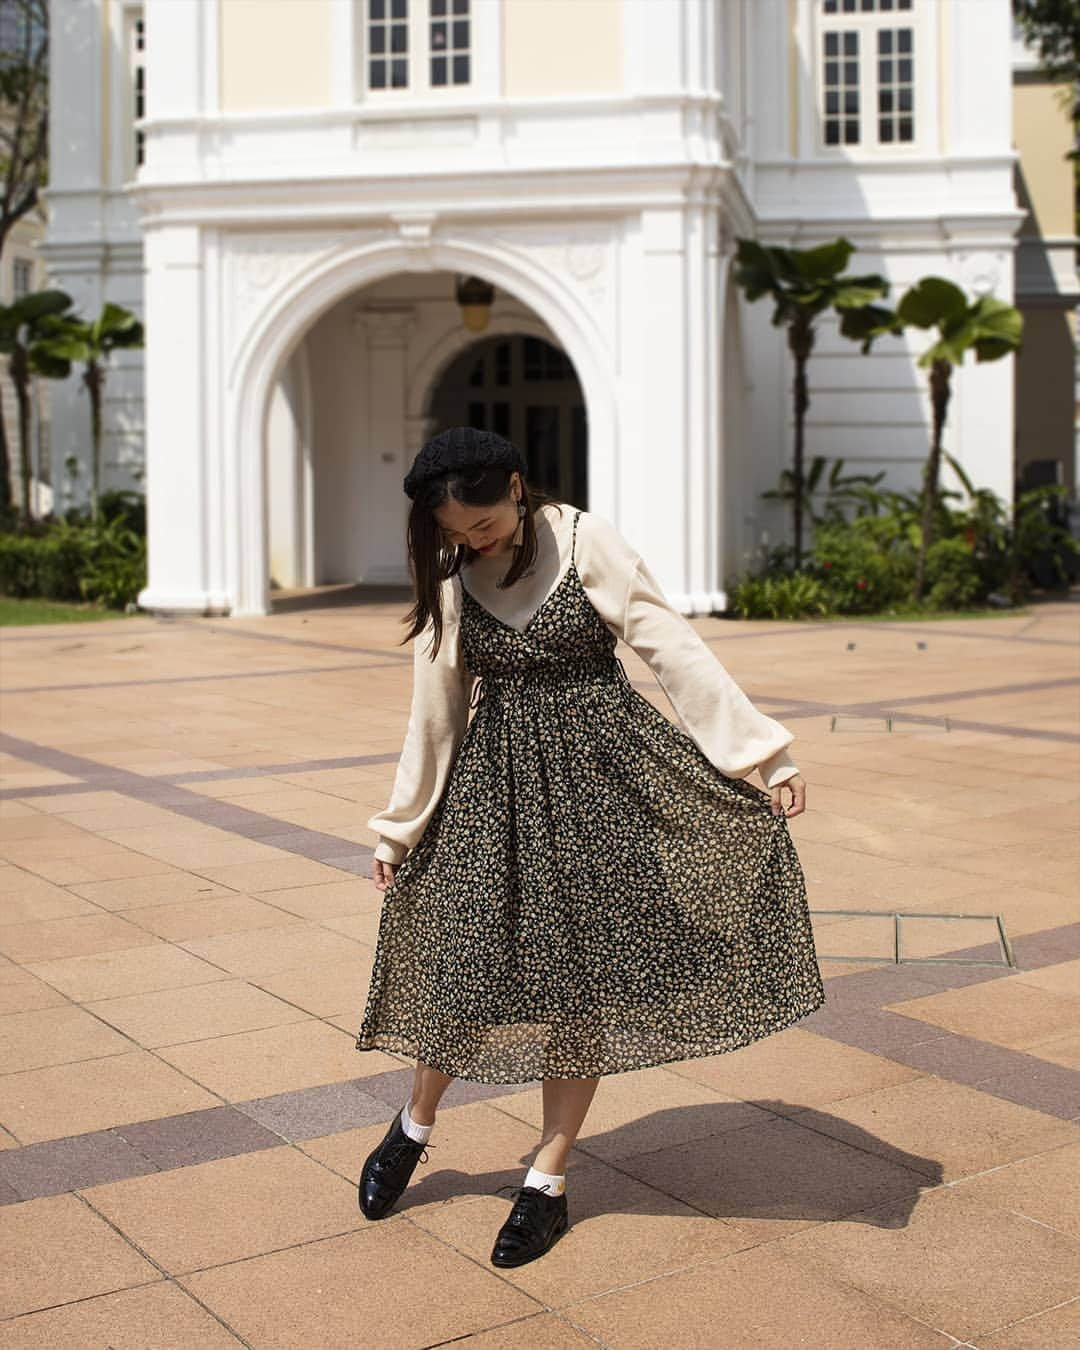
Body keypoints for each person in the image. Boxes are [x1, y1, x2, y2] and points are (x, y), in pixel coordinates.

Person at [354, 426, 825, 1267]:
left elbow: (671, 646)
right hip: (492, 793)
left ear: (515, 485)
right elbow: (433, 714)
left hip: (604, 784)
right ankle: (414, 1123)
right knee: (463, 964)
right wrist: (400, 827)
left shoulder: (585, 541)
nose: (473, 541)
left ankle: (547, 1179)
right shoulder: (456, 580)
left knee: (580, 987)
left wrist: (763, 754)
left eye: (482, 522)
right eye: (455, 534)